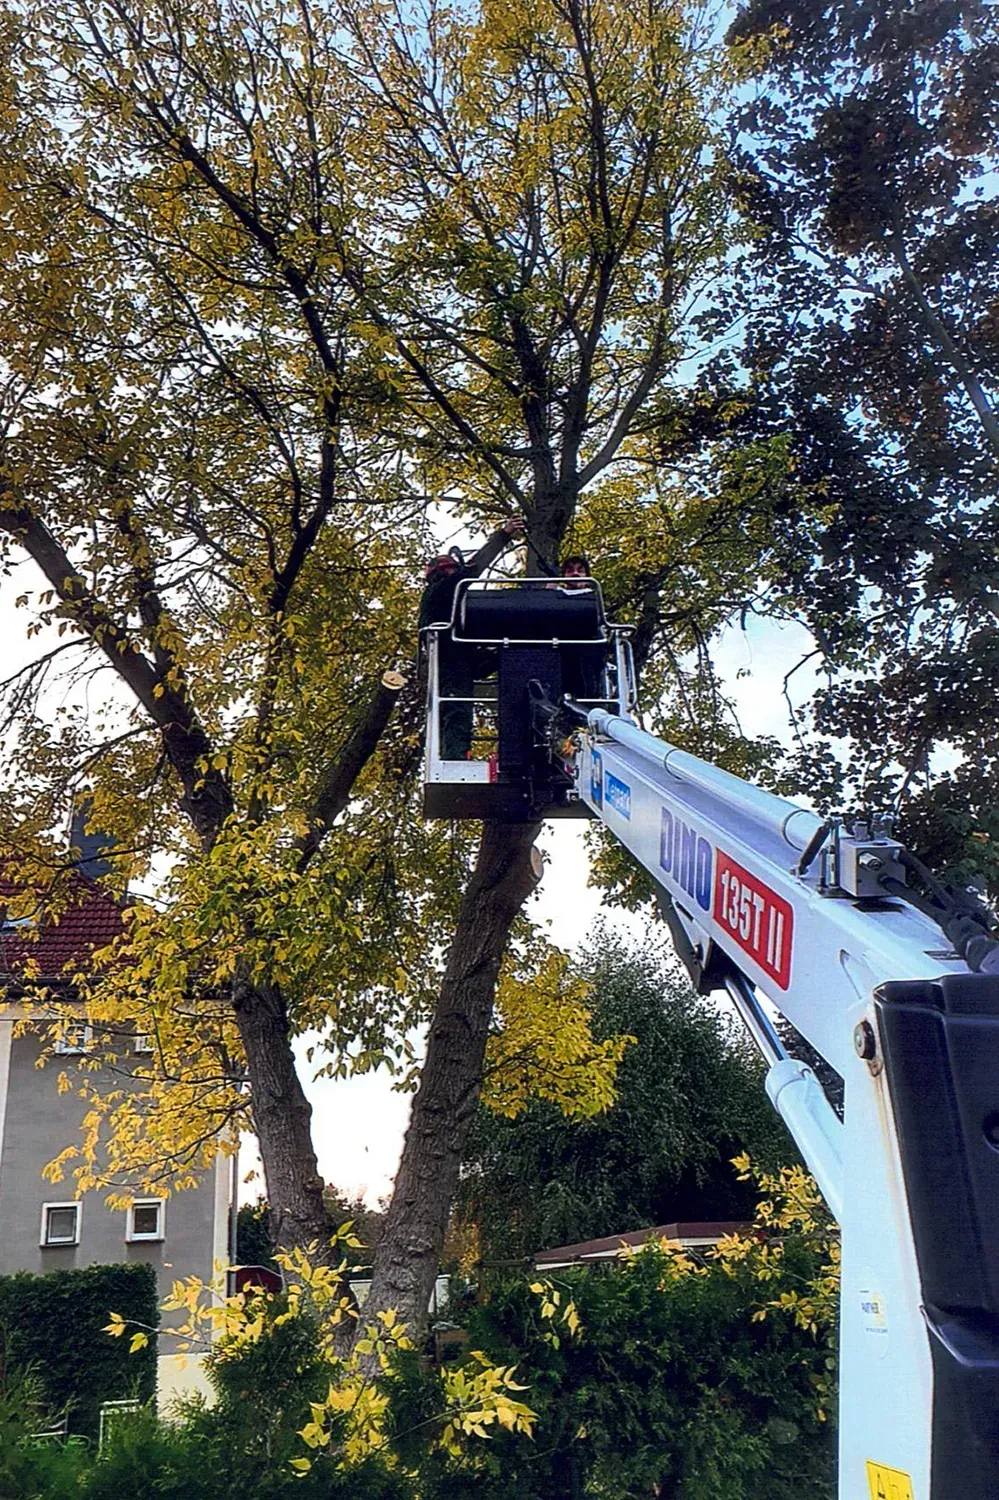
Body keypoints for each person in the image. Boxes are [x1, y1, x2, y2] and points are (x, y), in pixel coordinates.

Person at [419, 517, 525, 758]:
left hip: (458, 658)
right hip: (452, 661)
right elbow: (475, 567)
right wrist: (504, 534)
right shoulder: (445, 588)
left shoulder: (441, 598)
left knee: (506, 654)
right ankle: (455, 757)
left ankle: (457, 753)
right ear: (445, 571)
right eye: (454, 569)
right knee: (456, 710)